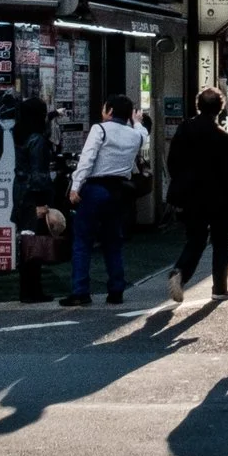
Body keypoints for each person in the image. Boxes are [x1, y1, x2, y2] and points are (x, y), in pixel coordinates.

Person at [59, 95, 144, 307]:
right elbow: (143, 133)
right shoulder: (135, 135)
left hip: (95, 188)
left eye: (105, 107)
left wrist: (76, 186)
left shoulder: (101, 129)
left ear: (110, 110)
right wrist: (138, 121)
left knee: (83, 241)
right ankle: (116, 290)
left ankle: (80, 291)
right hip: (118, 192)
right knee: (113, 242)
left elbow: (87, 159)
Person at [165, 88, 228, 304]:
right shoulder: (222, 137)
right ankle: (220, 287)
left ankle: (180, 273)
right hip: (219, 198)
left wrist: (181, 182)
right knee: (221, 242)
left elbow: (172, 162)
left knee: (196, 239)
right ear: (220, 108)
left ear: (197, 105)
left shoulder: (184, 130)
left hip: (190, 196)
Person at [11, 95, 56, 304]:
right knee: (35, 243)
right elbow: (39, 173)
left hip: (20, 192)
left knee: (26, 241)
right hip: (33, 195)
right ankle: (33, 291)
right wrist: (42, 202)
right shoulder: (37, 139)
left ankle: (27, 290)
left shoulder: (19, 132)